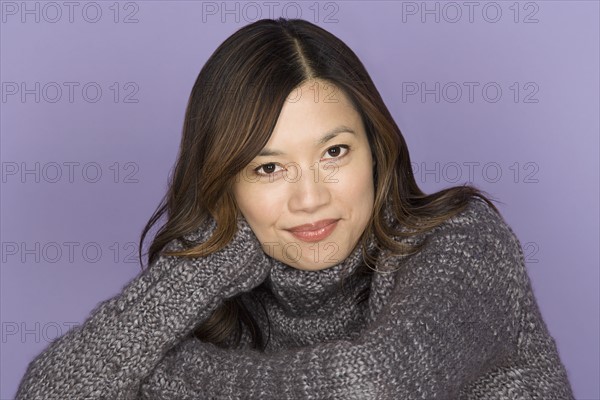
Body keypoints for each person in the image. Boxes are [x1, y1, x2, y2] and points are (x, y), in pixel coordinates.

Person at [15, 18, 575, 399]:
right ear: (224, 184)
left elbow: (367, 384)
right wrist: (198, 271)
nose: (311, 198)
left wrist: (160, 373)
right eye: (268, 168)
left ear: (375, 151)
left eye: (334, 152)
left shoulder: (460, 241)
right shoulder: (221, 286)